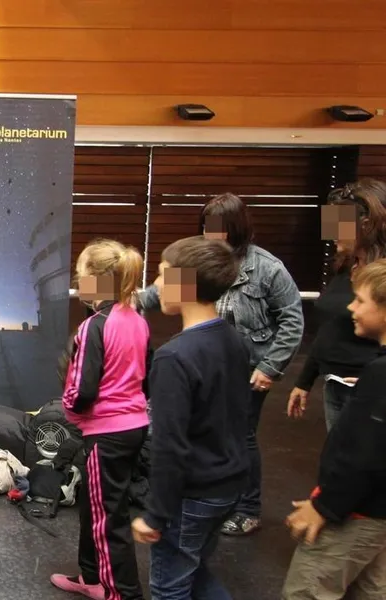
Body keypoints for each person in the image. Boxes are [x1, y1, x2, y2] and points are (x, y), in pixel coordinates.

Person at [139, 193, 303, 537]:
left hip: (244, 368)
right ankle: (212, 501)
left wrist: (271, 367)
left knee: (241, 436)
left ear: (238, 228)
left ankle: (247, 508)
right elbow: (157, 293)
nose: (214, 235)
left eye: (222, 229)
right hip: (205, 362)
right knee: (207, 435)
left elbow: (292, 320)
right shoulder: (195, 260)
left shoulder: (268, 269)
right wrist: (122, 304)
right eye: (207, 227)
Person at [131, 236, 249, 600]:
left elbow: (170, 446)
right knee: (194, 573)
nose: (156, 286)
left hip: (191, 497)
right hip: (227, 487)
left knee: (170, 588)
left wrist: (156, 514)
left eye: (163, 276)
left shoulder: (173, 358)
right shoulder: (232, 339)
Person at [51, 239, 151, 600]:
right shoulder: (137, 320)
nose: (77, 282)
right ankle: (91, 577)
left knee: (108, 518)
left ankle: (121, 593)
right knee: (96, 506)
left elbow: (81, 389)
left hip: (107, 433)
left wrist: (70, 411)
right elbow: (145, 376)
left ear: (97, 279)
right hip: (131, 427)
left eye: (81, 276)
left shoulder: (94, 326)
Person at [281, 259, 386, 599]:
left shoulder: (380, 376)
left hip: (358, 513)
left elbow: (363, 456)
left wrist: (325, 506)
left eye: (360, 301)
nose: (351, 308)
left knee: (307, 591)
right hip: (375, 516)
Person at [288, 179, 386, 431]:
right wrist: (305, 381)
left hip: (372, 392)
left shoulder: (381, 277)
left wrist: (375, 380)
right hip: (335, 386)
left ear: (366, 225)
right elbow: (329, 329)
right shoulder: (346, 268)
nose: (331, 233)